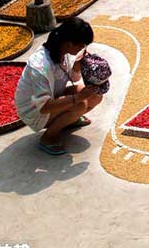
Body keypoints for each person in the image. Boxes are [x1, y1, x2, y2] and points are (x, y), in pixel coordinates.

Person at [14, 17, 103, 155]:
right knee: (80, 104)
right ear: (69, 44)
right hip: (34, 110)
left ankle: (68, 119)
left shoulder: (63, 51)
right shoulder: (41, 66)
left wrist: (79, 63)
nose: (83, 48)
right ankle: (48, 138)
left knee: (95, 96)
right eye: (81, 45)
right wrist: (77, 97)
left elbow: (73, 77)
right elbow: (44, 108)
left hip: (52, 97)